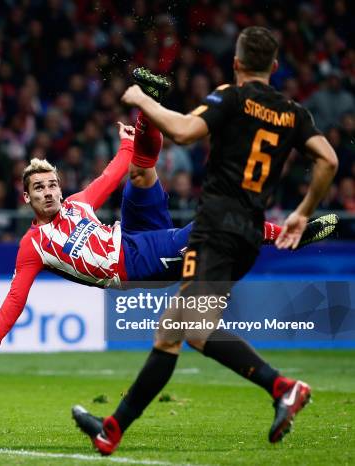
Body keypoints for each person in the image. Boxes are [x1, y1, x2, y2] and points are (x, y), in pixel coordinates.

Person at [72, 27, 338, 455]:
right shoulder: (294, 113)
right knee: (172, 331)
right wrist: (303, 210)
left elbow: (183, 131)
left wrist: (142, 100)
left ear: (236, 64)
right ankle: (112, 430)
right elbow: (328, 159)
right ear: (274, 66)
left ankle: (282, 387)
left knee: (192, 330)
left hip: (215, 228)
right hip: (247, 233)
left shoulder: (231, 96)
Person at [0, 112, 335, 373]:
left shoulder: (76, 204)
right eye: (39, 188)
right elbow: (16, 297)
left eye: (52, 184)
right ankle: (290, 234)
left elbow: (110, 175)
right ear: (27, 199)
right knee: (211, 222)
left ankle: (147, 109)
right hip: (137, 266)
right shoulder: (32, 245)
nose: (49, 192)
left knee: (140, 170)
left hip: (134, 234)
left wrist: (126, 143)